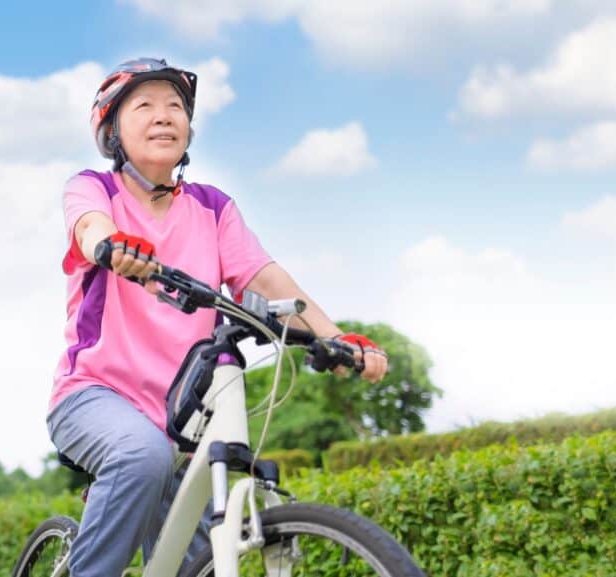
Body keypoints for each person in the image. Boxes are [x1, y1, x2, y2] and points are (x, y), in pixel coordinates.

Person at [47, 57, 388, 576]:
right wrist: (111, 245)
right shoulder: (96, 189)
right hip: (93, 396)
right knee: (143, 458)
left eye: (176, 107)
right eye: (144, 106)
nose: (164, 115)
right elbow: (88, 227)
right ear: (111, 131)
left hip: (184, 419)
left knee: (197, 544)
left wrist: (335, 338)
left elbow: (266, 280)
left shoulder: (213, 208)